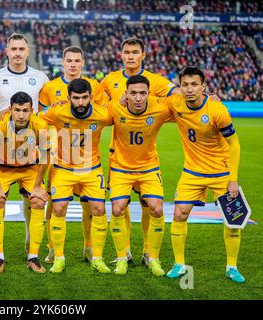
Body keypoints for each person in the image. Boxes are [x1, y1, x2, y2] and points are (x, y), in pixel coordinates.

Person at [158, 66, 244, 283]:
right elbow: (150, 99)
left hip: (221, 172)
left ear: (203, 87)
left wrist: (233, 179)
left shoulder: (217, 110)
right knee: (179, 214)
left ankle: (232, 267)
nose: (189, 89)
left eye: (194, 84)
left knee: (233, 220)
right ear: (180, 86)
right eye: (185, 85)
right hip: (192, 171)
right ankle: (179, 264)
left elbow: (234, 145)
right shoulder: (175, 104)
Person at [101, 37, 179, 266]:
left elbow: (177, 94)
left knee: (149, 204)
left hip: (145, 153)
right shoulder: (110, 80)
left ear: (143, 55)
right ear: (121, 55)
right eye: (127, 52)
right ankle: (124, 251)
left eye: (135, 52)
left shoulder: (155, 81)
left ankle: (148, 250)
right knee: (120, 204)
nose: (130, 56)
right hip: (119, 153)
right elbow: (98, 105)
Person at [39, 45, 108, 264]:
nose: (73, 64)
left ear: (82, 62)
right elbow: (40, 117)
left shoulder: (95, 86)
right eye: (69, 61)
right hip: (59, 155)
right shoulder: (50, 87)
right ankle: (52, 248)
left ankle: (89, 247)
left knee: (91, 205)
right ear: (63, 62)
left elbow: (105, 113)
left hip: (88, 156)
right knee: (55, 204)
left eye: (77, 61)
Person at [0, 33, 49, 259]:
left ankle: (28, 241)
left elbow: (46, 110)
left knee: (30, 198)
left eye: (21, 49)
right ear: (6, 51)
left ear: (27, 51)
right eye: (13, 49)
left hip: (29, 152)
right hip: (1, 150)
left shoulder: (40, 77)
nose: (17, 53)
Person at [108, 75, 173, 276]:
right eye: (133, 93)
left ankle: (152, 257)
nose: (138, 98)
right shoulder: (114, 108)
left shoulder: (160, 108)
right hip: (120, 168)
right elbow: (88, 112)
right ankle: (121, 258)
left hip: (149, 168)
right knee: (118, 209)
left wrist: (208, 98)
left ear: (149, 94)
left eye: (142, 93)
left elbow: (185, 105)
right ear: (126, 93)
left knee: (156, 208)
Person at [0, 91, 50, 274]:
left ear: (32, 110)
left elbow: (45, 157)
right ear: (10, 110)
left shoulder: (40, 125)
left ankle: (33, 256)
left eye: (25, 111)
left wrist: (37, 186)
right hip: (2, 168)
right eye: (17, 110)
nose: (21, 115)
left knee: (38, 201)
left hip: (29, 168)